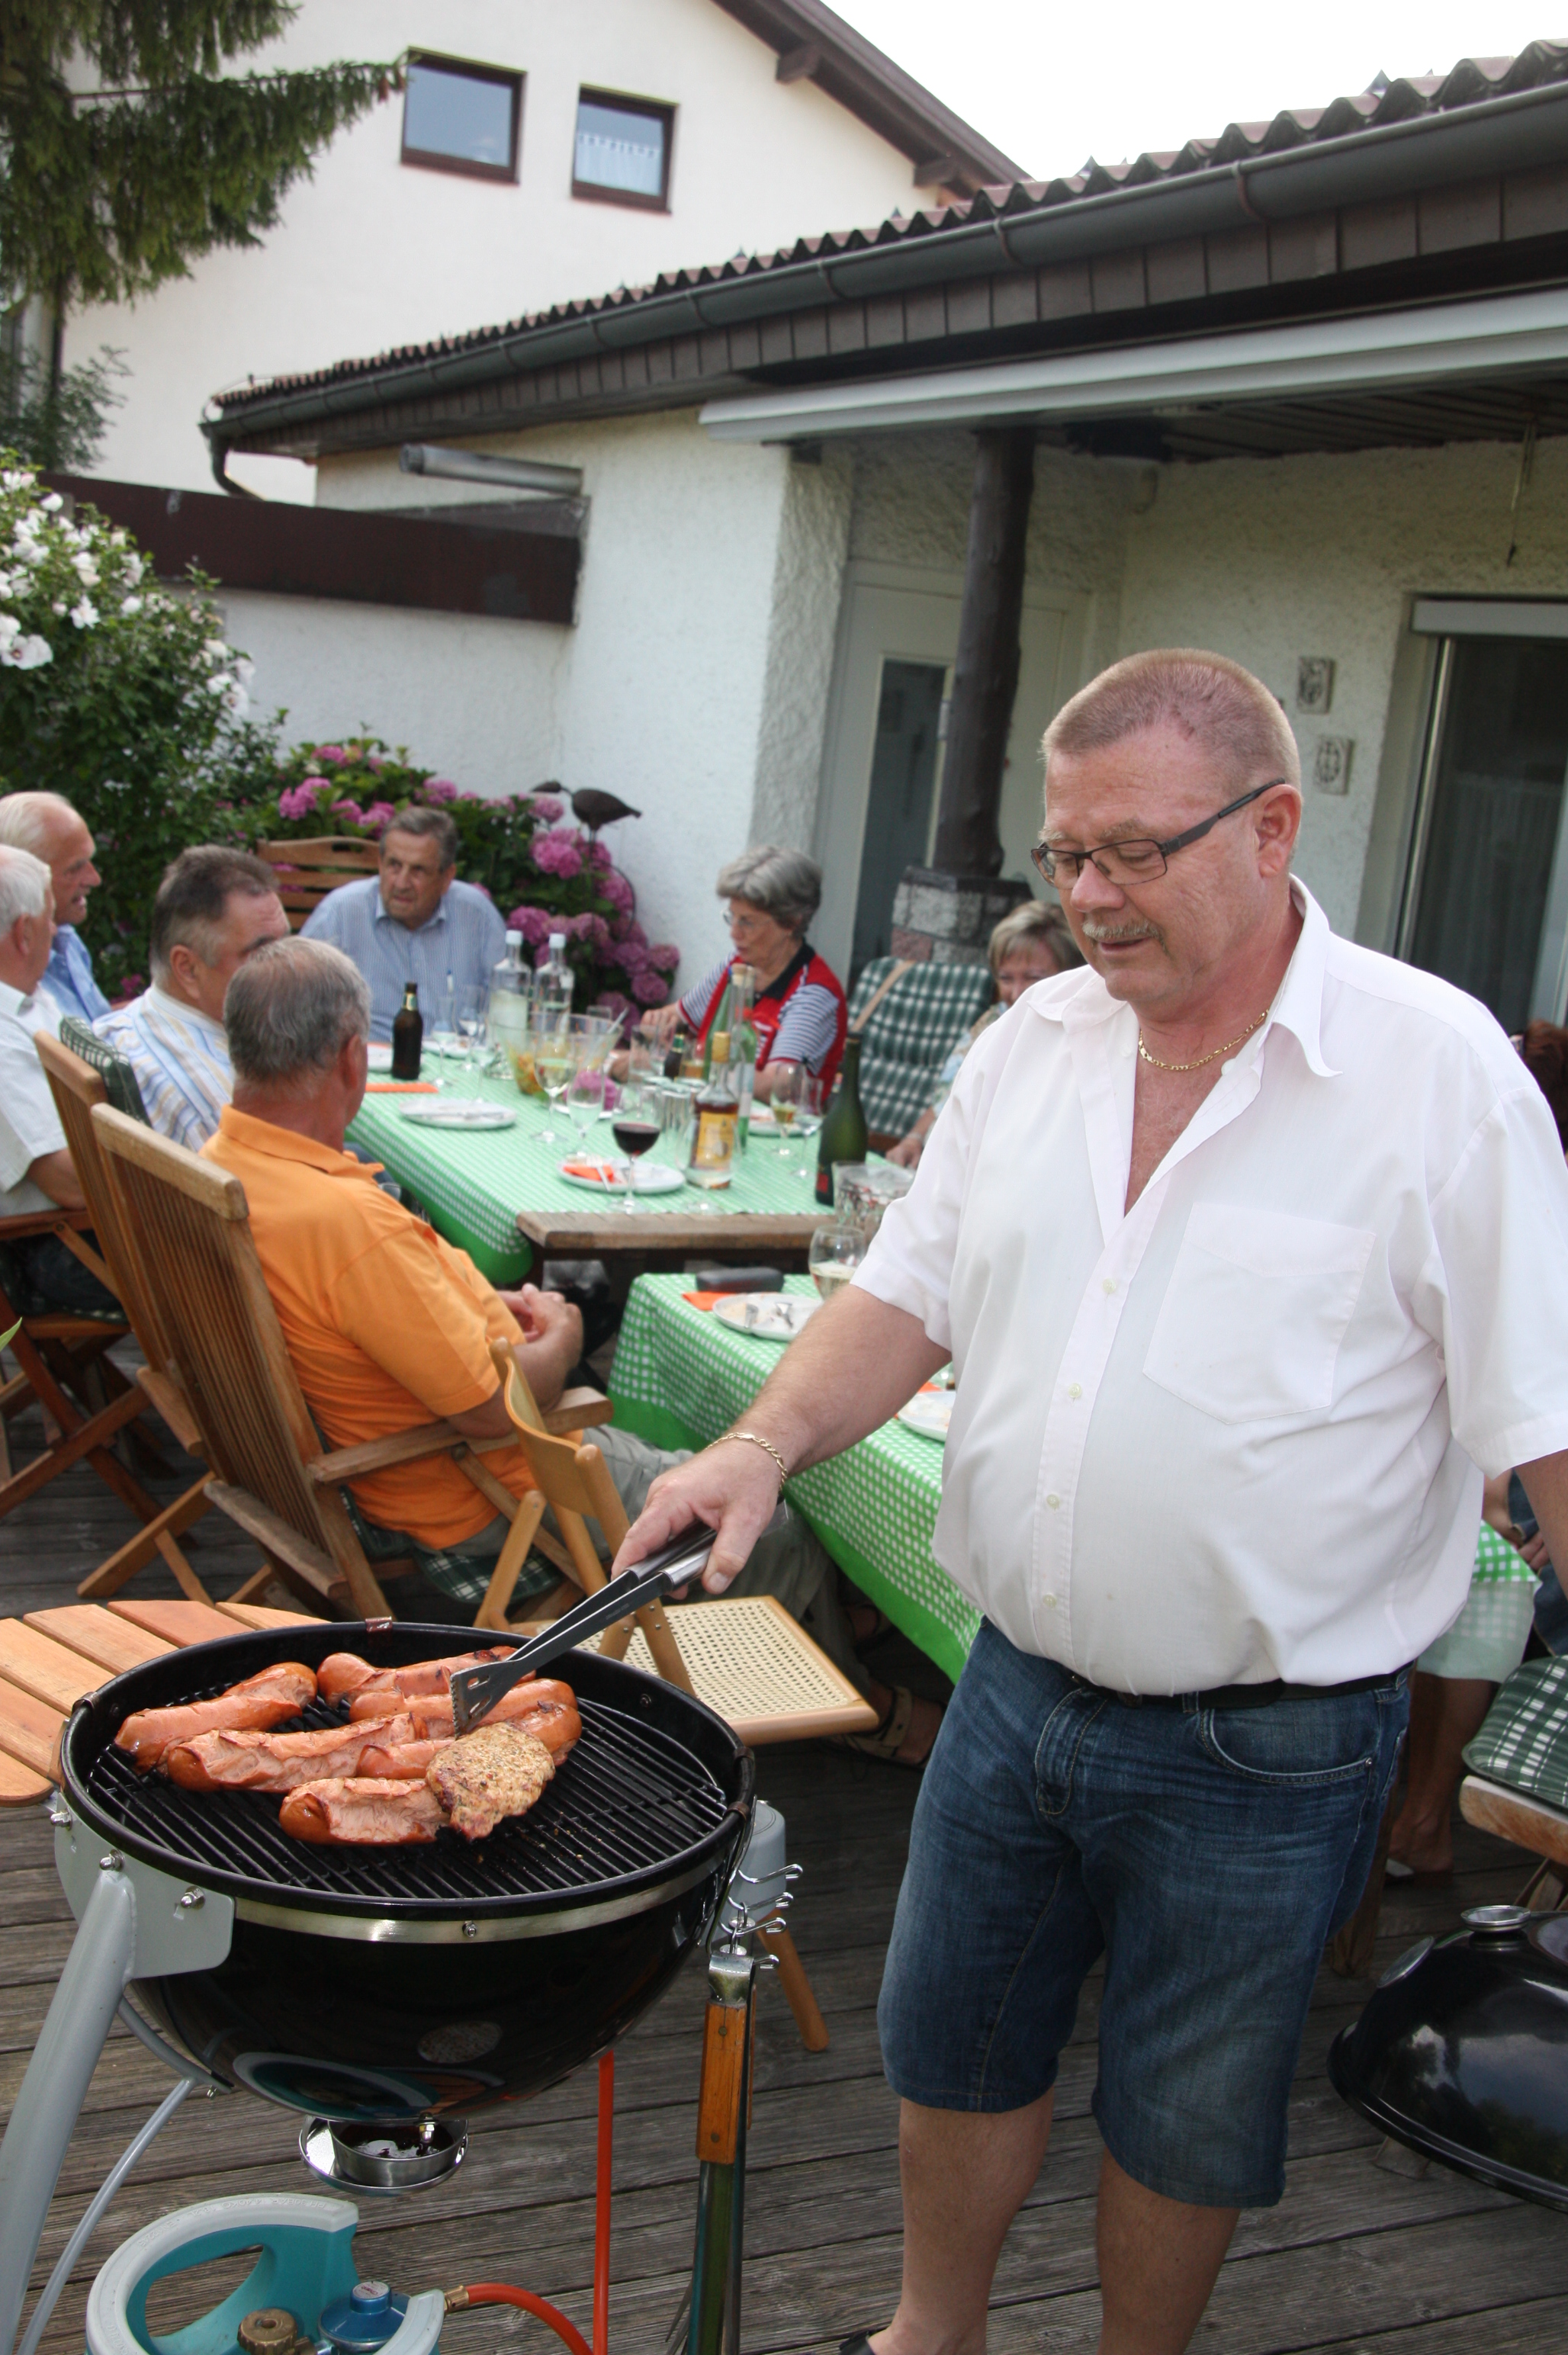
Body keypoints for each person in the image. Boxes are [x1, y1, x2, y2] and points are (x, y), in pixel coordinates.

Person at [614, 647, 1568, 2355]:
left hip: (1269, 1736)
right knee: (950, 2040)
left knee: (1184, 2110)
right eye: (1066, 852)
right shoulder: (1032, 1043)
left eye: (1134, 848)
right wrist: (759, 1442)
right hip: (1010, 1679)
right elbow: (902, 1292)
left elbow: (1547, 1421)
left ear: (1271, 828)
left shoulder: (1440, 1077)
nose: (1091, 894)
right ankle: (931, 2333)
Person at [202, 937, 933, 1756]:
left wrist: (481, 1302)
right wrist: (565, 1334)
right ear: (350, 1057)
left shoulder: (229, 1163)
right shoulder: (344, 1223)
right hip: (477, 1496)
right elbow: (491, 1409)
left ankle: (831, 1617)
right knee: (773, 1522)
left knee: (712, 1471)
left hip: (374, 1466)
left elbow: (370, 1312)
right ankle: (866, 1710)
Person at [95, 847, 289, 1150]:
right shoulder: (218, 1106)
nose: (289, 966)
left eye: (288, 943)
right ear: (187, 969)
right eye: (263, 953)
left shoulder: (122, 1026)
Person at [0, 844, 119, 1316]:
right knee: (261, 1252)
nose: (56, 930)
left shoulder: (26, 999)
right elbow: (67, 1182)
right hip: (57, 1246)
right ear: (24, 932)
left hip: (92, 1224)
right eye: (50, 919)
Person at [640, 846, 847, 1100]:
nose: (734, 933)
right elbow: (676, 1019)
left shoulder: (814, 993)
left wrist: (687, 1069)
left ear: (791, 922)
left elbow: (777, 1086)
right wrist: (657, 1026)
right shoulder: (735, 966)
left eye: (747, 922)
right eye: (732, 918)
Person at [888, 901, 1083, 1169]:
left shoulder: (1074, 1040)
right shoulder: (995, 1020)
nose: (1017, 993)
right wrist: (913, 1140)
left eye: (1033, 978)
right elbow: (948, 1093)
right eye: (1006, 978)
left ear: (1070, 973)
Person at [300, 805, 505, 1041]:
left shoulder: (478, 918)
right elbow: (296, 1002)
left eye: (418, 870)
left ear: (446, 878)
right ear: (380, 864)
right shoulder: (340, 913)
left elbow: (506, 1010)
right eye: (394, 866)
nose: (401, 883)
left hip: (455, 1059)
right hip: (369, 1058)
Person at [0, 791, 108, 1025]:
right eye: (75, 868)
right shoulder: (15, 977)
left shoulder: (66, 937)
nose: (94, 879)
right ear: (26, 875)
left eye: (90, 861)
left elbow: (98, 1027)